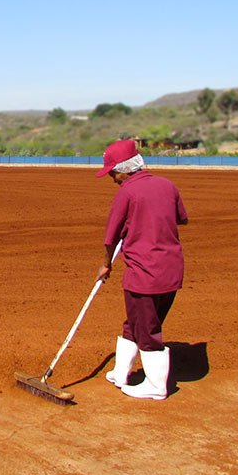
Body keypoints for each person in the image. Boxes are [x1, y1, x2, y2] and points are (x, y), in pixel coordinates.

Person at [95, 139, 188, 400]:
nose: (112, 178)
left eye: (113, 172)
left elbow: (110, 238)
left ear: (124, 169)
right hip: (171, 270)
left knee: (147, 329)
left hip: (144, 274)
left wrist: (105, 264)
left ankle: (156, 387)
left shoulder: (127, 192)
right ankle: (121, 372)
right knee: (135, 322)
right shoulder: (167, 185)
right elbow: (181, 218)